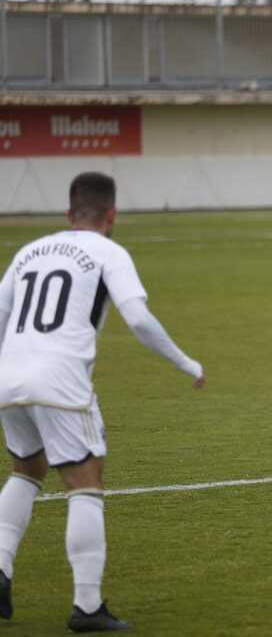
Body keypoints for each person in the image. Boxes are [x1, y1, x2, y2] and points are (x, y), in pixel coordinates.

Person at [0, 172, 205, 631]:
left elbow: (0, 317)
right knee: (85, 482)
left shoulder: (28, 251)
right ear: (111, 215)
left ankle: (0, 568)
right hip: (60, 378)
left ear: (69, 214)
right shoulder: (110, 252)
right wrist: (186, 363)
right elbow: (139, 318)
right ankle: (87, 606)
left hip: (7, 376)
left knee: (26, 470)